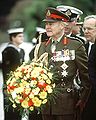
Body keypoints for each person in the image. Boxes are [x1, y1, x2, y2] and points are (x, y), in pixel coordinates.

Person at [34, 7, 91, 120]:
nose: (47, 27)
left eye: (51, 24)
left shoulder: (75, 45)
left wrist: (83, 99)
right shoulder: (41, 46)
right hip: (46, 102)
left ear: (62, 25)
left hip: (67, 102)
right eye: (46, 24)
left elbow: (85, 75)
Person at [2, 26, 25, 120]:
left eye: (22, 36)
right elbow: (6, 71)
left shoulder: (21, 51)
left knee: (19, 110)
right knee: (10, 111)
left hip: (20, 85)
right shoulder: (8, 51)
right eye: (19, 36)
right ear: (13, 38)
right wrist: (8, 86)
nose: (22, 38)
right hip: (10, 86)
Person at [82, 15, 96, 120]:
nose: (86, 31)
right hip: (86, 96)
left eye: (89, 29)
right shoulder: (83, 47)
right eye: (84, 28)